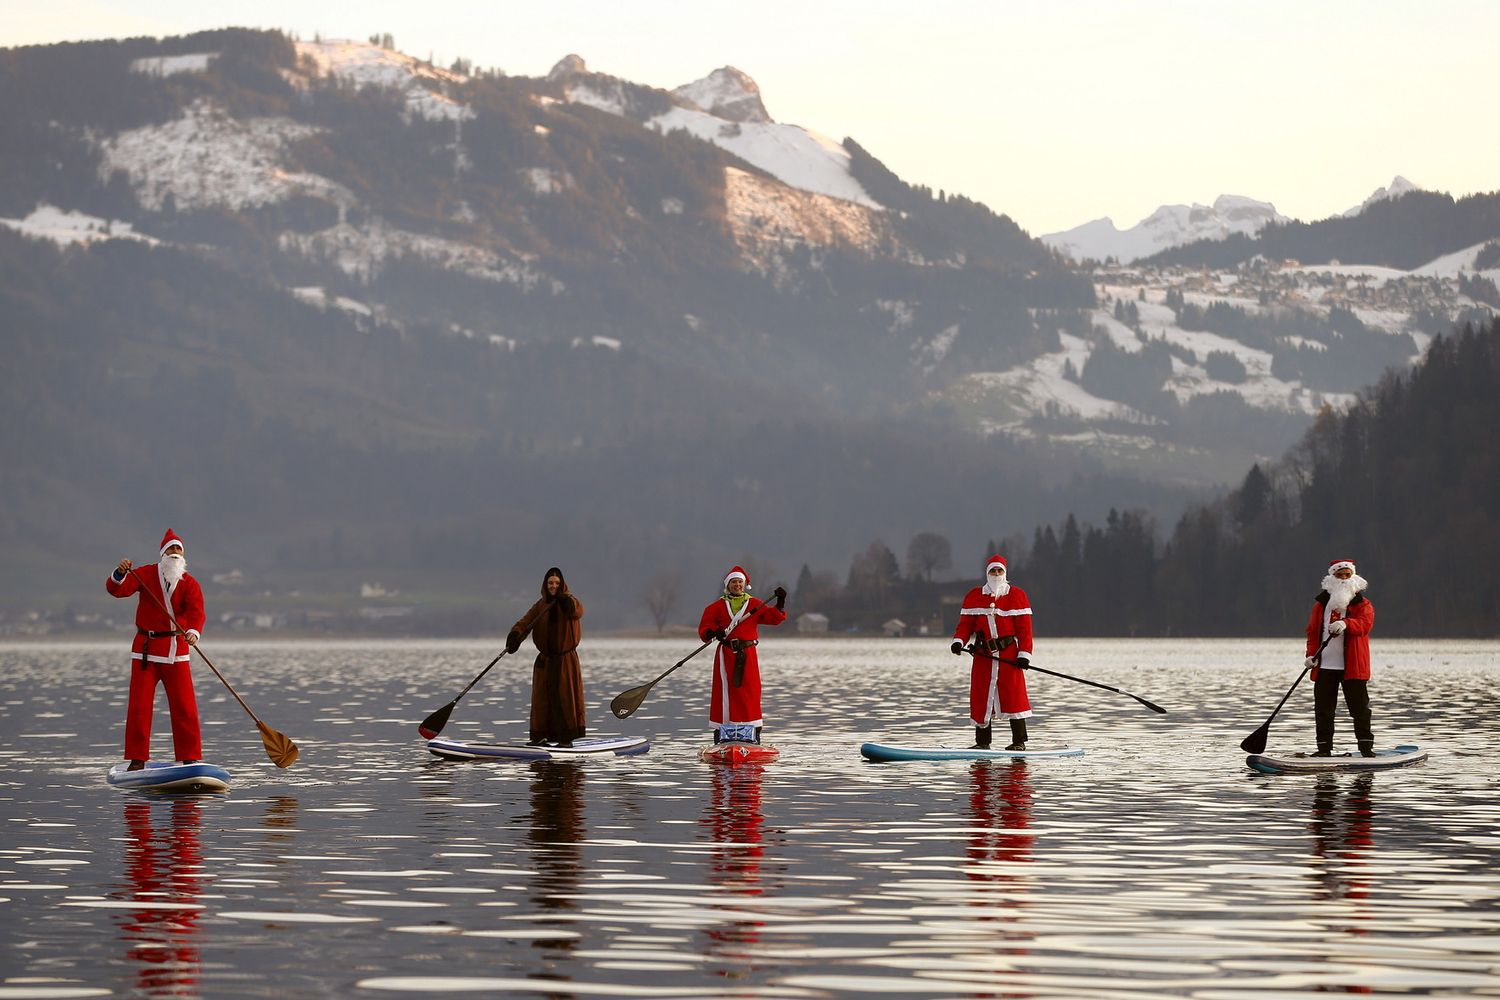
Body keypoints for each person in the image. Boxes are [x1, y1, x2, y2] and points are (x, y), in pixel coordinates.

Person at [106, 529, 206, 769]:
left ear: (183, 555)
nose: (174, 553)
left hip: (176, 651)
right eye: (170, 549)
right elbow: (118, 590)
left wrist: (192, 632)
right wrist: (120, 573)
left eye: (178, 550)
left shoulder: (190, 583)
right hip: (145, 651)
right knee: (139, 707)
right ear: (162, 553)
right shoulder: (145, 574)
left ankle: (189, 757)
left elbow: (196, 612)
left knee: (185, 707)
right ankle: (137, 760)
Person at [951, 555, 1034, 750]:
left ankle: (1019, 742)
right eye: (992, 571)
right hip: (983, 656)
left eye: (999, 571)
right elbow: (965, 626)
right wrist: (958, 641)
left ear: (1005, 573)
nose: (996, 575)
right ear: (987, 573)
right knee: (981, 695)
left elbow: (1025, 631)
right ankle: (982, 743)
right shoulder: (974, 596)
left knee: (1014, 695)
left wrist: (1024, 655)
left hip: (1009, 656)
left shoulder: (1017, 595)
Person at [698, 566, 787, 744]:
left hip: (748, 655)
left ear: (745, 585)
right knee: (725, 693)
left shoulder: (755, 604)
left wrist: (781, 601)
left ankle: (754, 735)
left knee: (750, 692)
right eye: (733, 582)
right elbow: (704, 629)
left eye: (740, 582)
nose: (737, 585)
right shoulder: (715, 607)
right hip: (726, 655)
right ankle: (720, 736)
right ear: (728, 585)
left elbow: (774, 618)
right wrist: (714, 633)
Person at [506, 567, 587, 747]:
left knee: (563, 699)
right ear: (545, 584)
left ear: (562, 585)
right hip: (545, 661)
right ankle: (541, 738)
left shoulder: (570, 601)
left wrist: (564, 600)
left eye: (557, 583)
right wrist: (515, 636)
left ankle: (565, 739)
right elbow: (525, 623)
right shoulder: (540, 606)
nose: (553, 586)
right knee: (542, 701)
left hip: (565, 661)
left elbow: (577, 611)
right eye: (550, 583)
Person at [1305, 558, 1376, 757]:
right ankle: (1324, 750)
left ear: (1353, 577)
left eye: (1347, 575)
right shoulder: (1321, 605)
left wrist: (1347, 624)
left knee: (1359, 709)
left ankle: (1366, 749)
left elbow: (1365, 625)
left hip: (1353, 667)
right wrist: (1311, 654)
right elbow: (1312, 632)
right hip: (1324, 665)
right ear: (1332, 577)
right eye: (1340, 575)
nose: (1344, 579)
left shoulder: (1363, 604)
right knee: (1323, 711)